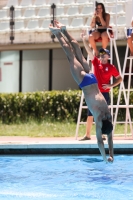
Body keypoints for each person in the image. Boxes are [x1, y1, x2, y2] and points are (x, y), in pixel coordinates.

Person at [49, 20, 114, 163]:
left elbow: (110, 137)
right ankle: (57, 33)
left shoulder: (108, 115)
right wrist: (105, 158)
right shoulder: (98, 119)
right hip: (84, 83)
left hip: (92, 79)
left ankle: (63, 30)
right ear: (103, 123)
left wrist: (112, 155)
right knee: (70, 55)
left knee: (77, 50)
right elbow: (100, 142)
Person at [80, 35, 122, 141]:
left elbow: (120, 78)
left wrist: (111, 85)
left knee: (103, 115)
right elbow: (89, 51)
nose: (102, 55)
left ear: (108, 56)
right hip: (94, 92)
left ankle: (103, 133)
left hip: (104, 94)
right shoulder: (96, 62)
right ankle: (87, 135)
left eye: (104, 54)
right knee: (90, 114)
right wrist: (84, 40)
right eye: (101, 53)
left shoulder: (111, 67)